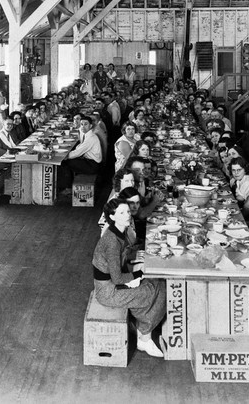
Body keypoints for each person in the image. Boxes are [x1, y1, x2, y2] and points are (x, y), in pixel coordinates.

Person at [92, 198, 166, 357]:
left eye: (127, 211)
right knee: (156, 291)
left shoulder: (119, 232)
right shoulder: (112, 241)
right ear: (112, 217)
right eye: (122, 212)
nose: (127, 215)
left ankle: (143, 331)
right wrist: (138, 274)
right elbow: (118, 279)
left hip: (113, 284)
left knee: (158, 284)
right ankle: (145, 336)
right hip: (108, 292)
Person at [59, 116, 102, 194]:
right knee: (70, 160)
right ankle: (69, 182)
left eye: (86, 124)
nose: (83, 126)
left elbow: (77, 152)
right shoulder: (87, 134)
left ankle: (68, 188)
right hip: (89, 161)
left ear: (91, 126)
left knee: (64, 163)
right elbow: (80, 146)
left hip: (93, 165)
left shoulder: (91, 137)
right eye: (81, 124)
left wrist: (64, 156)